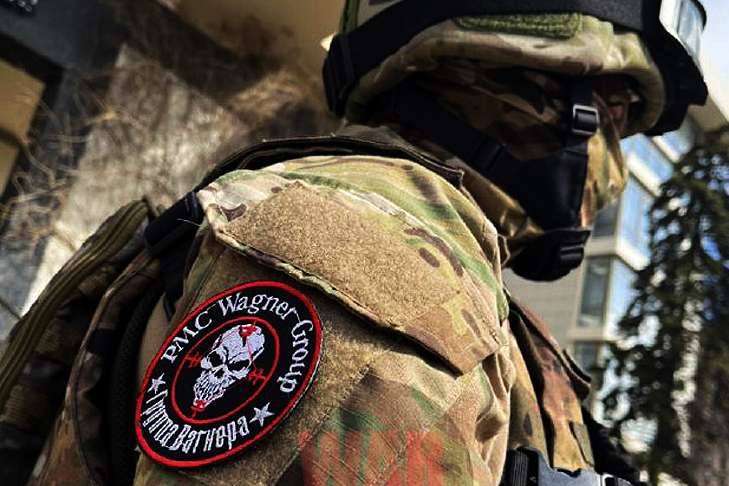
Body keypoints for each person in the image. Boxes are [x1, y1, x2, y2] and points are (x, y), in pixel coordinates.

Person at [0, 1, 708, 485]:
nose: (616, 172)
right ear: (539, 94)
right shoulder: (369, 265)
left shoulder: (452, 284)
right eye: (616, 118)